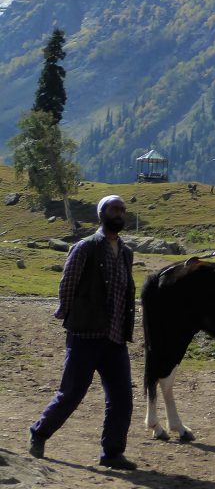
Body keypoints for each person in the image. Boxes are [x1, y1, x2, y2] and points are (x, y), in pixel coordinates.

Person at [28, 195, 137, 470]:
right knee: (71, 394)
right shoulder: (85, 248)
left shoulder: (126, 252)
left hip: (115, 338)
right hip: (85, 335)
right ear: (101, 213)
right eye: (114, 209)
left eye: (122, 210)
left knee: (122, 398)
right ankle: (39, 433)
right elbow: (68, 283)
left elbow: (125, 293)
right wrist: (68, 314)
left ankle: (112, 453)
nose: (119, 214)